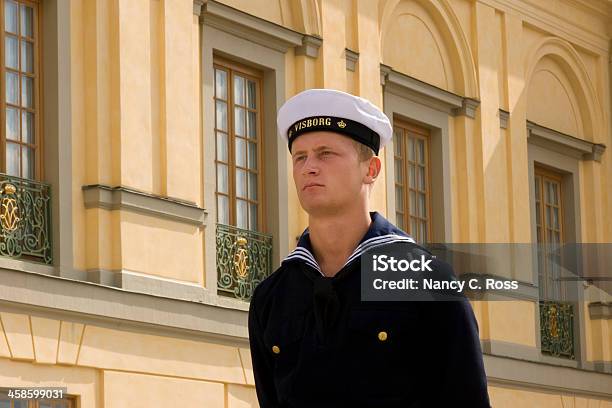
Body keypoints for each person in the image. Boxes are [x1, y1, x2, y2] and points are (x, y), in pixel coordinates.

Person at [248, 89, 491, 407]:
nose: (309, 167)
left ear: (371, 169)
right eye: (300, 157)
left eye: (325, 154)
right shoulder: (272, 297)